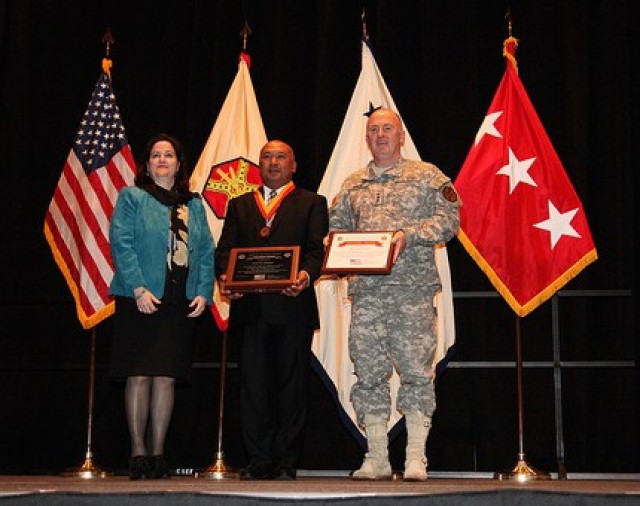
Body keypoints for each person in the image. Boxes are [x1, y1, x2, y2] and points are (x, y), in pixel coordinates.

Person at [328, 108, 460, 481]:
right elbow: (336, 229)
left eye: (388, 128)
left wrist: (409, 234)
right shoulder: (353, 184)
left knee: (417, 373)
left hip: (411, 293)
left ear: (401, 136)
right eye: (374, 130)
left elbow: (450, 220)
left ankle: (416, 455)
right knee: (368, 374)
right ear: (366, 138)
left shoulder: (427, 176)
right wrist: (332, 248)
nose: (381, 135)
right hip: (367, 295)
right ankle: (377, 457)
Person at [215, 140, 328, 480]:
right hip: (250, 311)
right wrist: (225, 278)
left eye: (281, 157)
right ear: (259, 165)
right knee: (253, 388)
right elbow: (225, 251)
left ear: (293, 166)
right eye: (267, 157)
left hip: (292, 307)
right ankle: (259, 459)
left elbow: (315, 251)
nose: (273, 162)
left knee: (291, 387)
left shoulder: (312, 202)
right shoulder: (239, 205)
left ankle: (285, 461)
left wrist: (305, 277)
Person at [108, 133, 215, 480]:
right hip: (139, 298)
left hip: (177, 302)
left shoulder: (193, 204)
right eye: (156, 155)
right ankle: (138, 454)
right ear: (147, 163)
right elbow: (121, 243)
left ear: (179, 163)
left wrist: (202, 291)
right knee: (139, 376)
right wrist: (138, 288)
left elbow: (206, 251)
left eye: (169, 155)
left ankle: (158, 454)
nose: (163, 160)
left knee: (167, 378)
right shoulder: (132, 197)